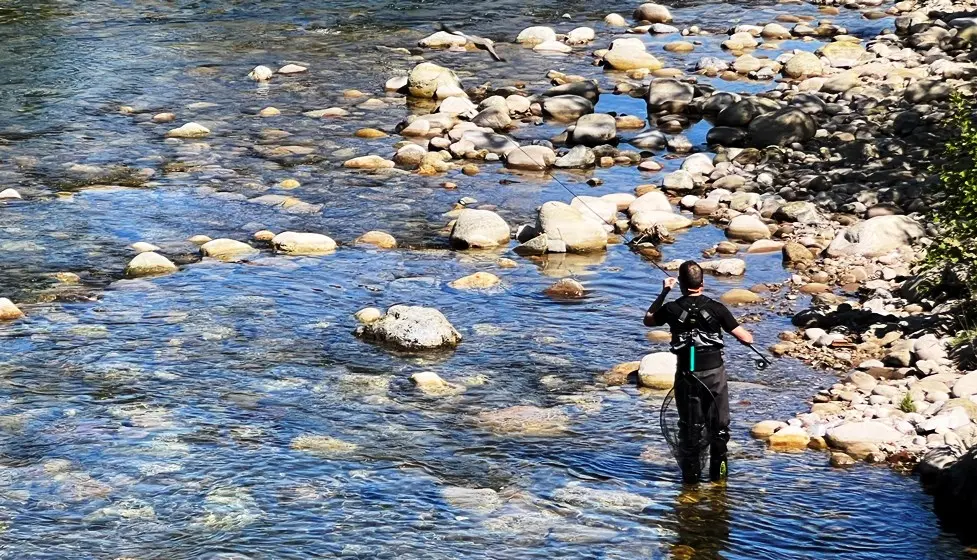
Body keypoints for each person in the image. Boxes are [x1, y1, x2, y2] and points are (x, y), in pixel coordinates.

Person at [644, 260, 754, 484]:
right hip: (713, 374)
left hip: (687, 373)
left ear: (682, 284)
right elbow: (746, 338)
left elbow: (648, 320)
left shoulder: (672, 308)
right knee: (719, 429)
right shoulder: (716, 308)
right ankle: (719, 482)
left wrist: (664, 291)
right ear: (702, 283)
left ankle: (690, 484)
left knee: (690, 429)